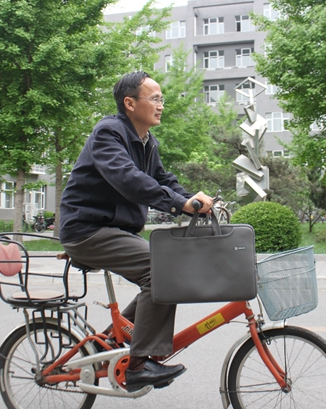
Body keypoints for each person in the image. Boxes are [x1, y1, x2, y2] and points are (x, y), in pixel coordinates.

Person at [59, 71, 213, 392]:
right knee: (162, 271)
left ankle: (110, 342)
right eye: (154, 99)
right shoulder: (108, 133)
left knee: (167, 268)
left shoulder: (146, 141)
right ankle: (139, 366)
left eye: (161, 99)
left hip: (115, 230)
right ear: (130, 103)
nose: (161, 105)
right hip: (88, 229)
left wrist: (191, 200)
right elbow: (129, 179)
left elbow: (162, 179)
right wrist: (179, 204)